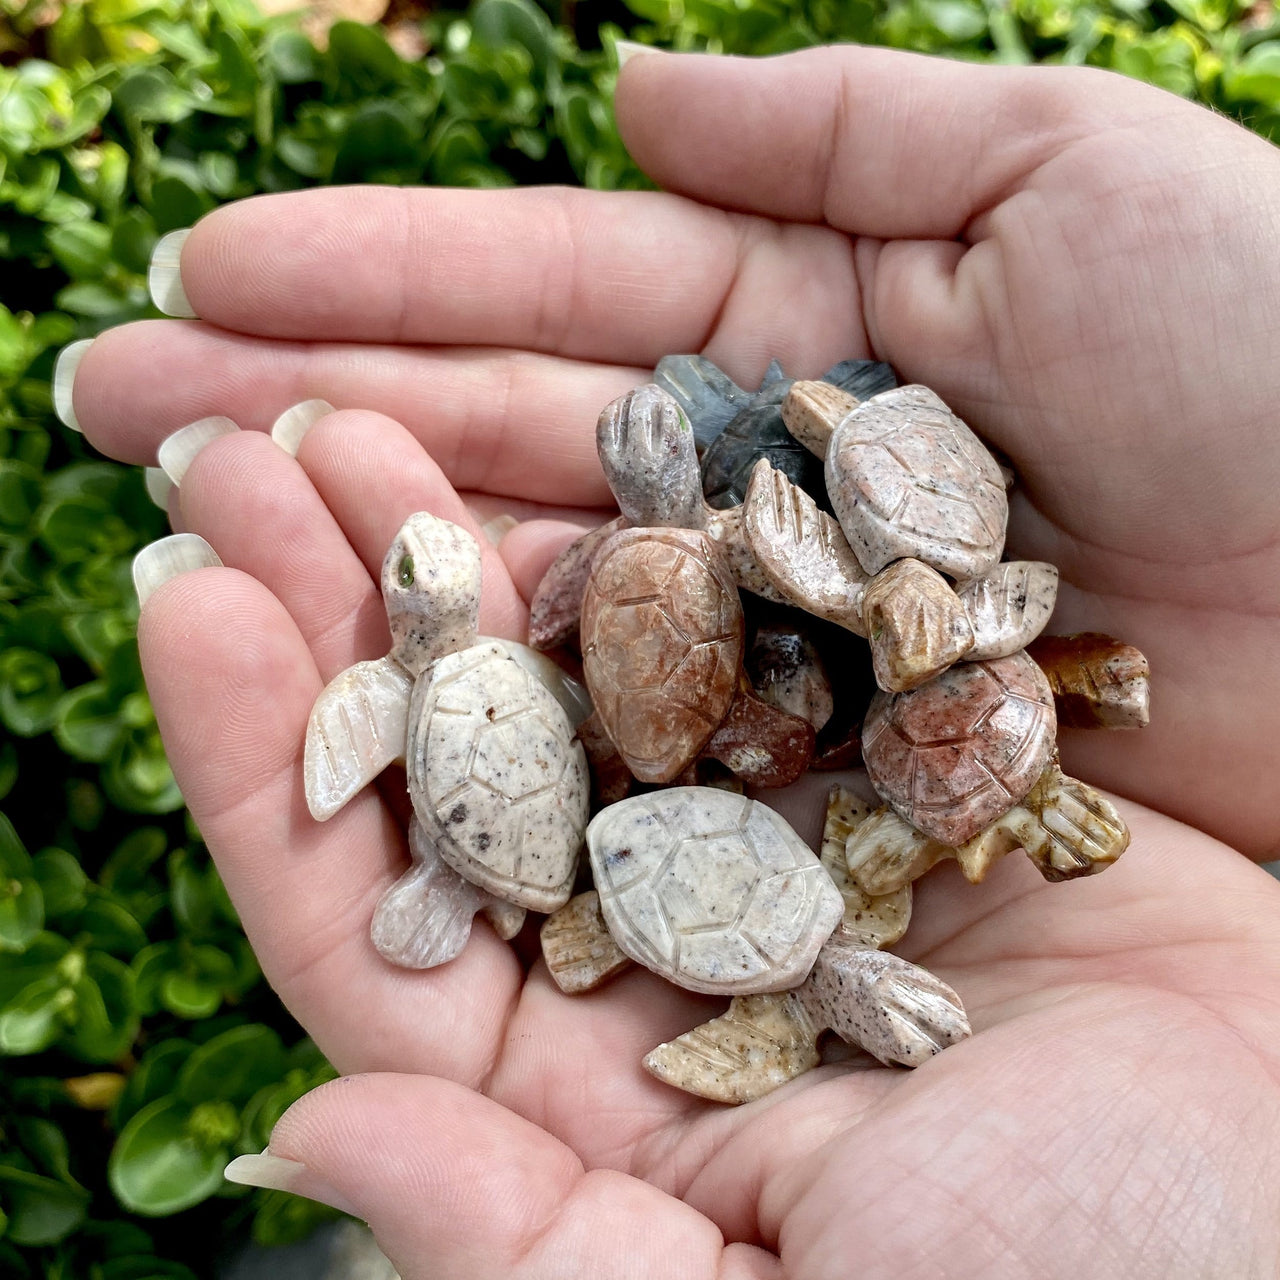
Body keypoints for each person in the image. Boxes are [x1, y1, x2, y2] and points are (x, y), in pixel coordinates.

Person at [58, 42, 1280, 1279]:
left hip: (766, 745)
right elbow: (626, 605)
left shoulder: (818, 607)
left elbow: (802, 592)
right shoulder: (729, 577)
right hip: (710, 750)